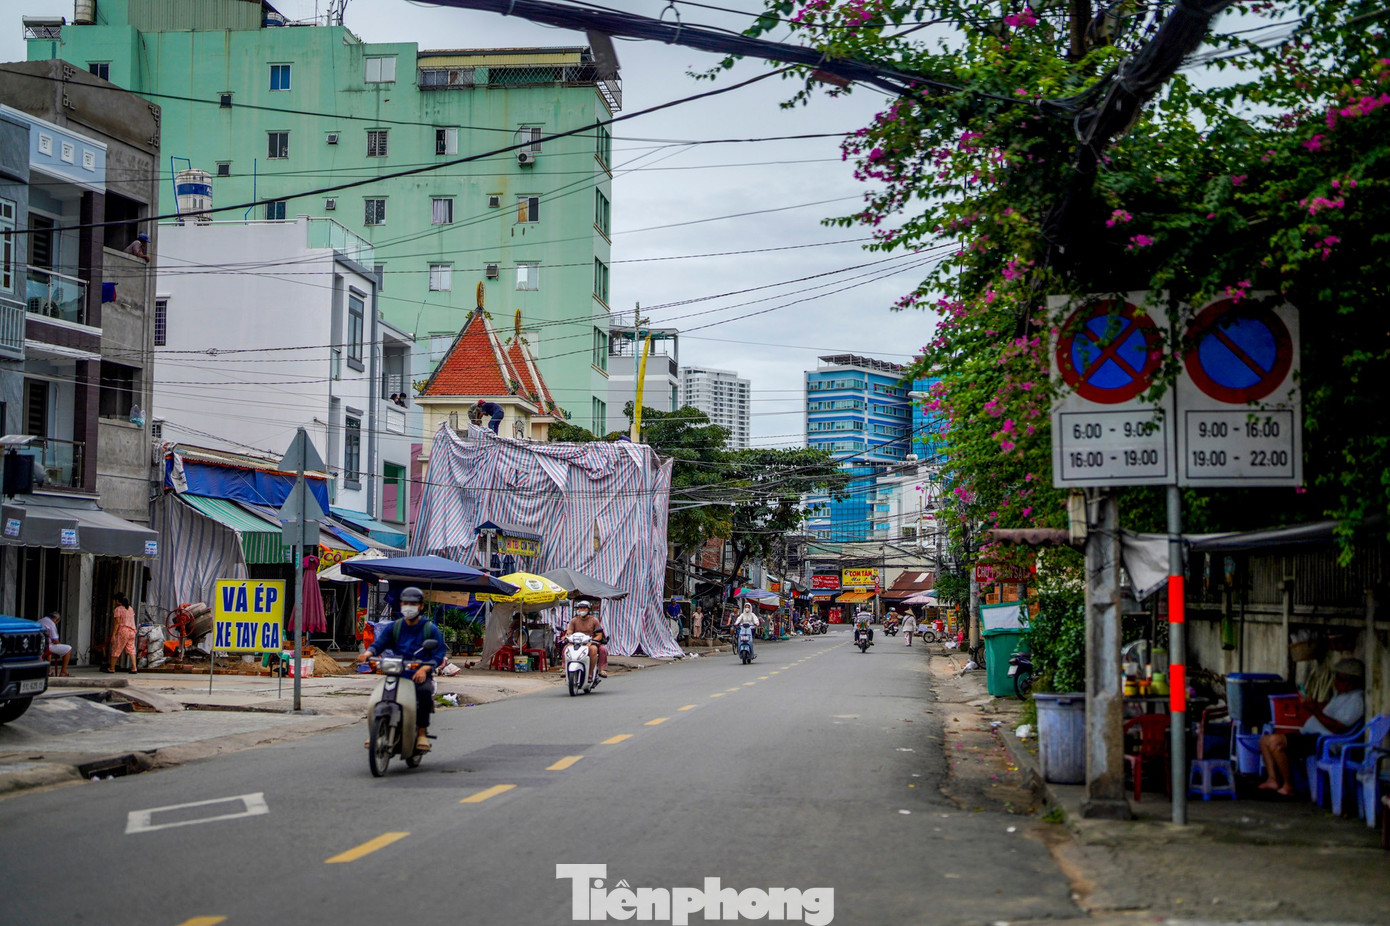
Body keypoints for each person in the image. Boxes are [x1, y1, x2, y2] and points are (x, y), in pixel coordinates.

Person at [1257, 657, 1366, 796]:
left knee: (1275, 742)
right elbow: (1326, 714)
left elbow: (1338, 728)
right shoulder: (1340, 695)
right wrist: (1312, 705)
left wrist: (1314, 710)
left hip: (1325, 740)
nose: (1335, 681)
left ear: (1352, 681)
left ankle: (1288, 785)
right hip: (1312, 735)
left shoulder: (1356, 699)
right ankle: (1272, 779)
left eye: (1340, 678)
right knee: (1264, 740)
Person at [358, 586, 446, 753]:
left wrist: (424, 669)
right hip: (398, 671)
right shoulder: (395, 627)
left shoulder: (429, 629)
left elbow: (438, 654)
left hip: (419, 673)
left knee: (424, 693)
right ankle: (375, 732)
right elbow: (380, 643)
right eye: (405, 603)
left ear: (420, 606)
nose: (408, 607)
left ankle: (421, 733)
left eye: (413, 604)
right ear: (400, 605)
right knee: (380, 695)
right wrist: (368, 653)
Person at [562, 600, 608, 678]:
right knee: (566, 648)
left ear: (588, 609)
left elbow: (599, 635)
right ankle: (564, 669)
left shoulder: (594, 620)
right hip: (576, 642)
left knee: (598, 649)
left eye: (584, 608)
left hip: (590, 642)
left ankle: (593, 672)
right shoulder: (574, 620)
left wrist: (592, 641)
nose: (582, 610)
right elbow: (569, 631)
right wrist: (567, 636)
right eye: (580, 608)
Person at [104, 594, 137, 673]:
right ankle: (134, 668)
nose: (115, 602)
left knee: (116, 648)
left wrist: (113, 634)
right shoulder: (130, 608)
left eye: (115, 601)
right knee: (131, 649)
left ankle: (112, 668)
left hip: (123, 631)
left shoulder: (118, 609)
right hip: (132, 631)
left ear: (118, 601)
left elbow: (117, 622)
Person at [40, 611, 72, 676]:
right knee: (68, 649)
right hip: (46, 646)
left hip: (38, 646)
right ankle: (63, 671)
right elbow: (55, 640)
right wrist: (59, 645)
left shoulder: (40, 620)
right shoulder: (51, 623)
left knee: (48, 653)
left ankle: (49, 671)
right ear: (55, 619)